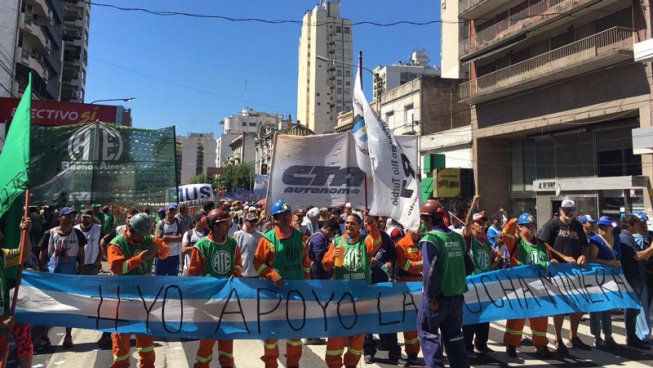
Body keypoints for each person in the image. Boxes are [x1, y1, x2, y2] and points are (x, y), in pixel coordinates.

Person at [253, 200, 311, 368]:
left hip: (296, 293)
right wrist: (271, 274)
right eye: (282, 215)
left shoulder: (300, 236)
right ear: (275, 219)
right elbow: (258, 263)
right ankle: (271, 364)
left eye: (288, 214)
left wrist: (307, 285)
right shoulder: (267, 239)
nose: (287, 218)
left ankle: (293, 363)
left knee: (294, 331)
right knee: (272, 333)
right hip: (274, 293)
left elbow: (306, 262)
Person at [107, 212, 169, 368]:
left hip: (144, 298)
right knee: (121, 339)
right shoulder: (117, 244)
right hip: (123, 299)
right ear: (130, 229)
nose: (143, 238)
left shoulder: (148, 239)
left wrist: (159, 250)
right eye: (140, 235)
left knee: (146, 339)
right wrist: (140, 258)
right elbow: (118, 268)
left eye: (145, 234)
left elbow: (165, 252)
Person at [322, 213, 381, 368]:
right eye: (347, 223)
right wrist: (330, 258)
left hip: (361, 300)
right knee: (336, 338)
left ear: (359, 225)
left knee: (357, 340)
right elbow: (325, 265)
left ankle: (351, 365)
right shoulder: (336, 242)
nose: (348, 226)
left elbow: (377, 241)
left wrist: (372, 224)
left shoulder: (365, 242)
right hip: (341, 300)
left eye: (352, 223)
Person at [418, 200, 472, 368]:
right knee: (455, 338)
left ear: (428, 218)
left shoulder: (431, 240)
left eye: (422, 218)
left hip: (437, 300)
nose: (421, 222)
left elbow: (429, 273)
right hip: (456, 299)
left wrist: (431, 298)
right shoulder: (457, 237)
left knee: (429, 336)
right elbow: (469, 267)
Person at [188, 208, 242, 368]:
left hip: (228, 300)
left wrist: (235, 272)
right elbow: (193, 276)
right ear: (214, 226)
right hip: (208, 303)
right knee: (207, 340)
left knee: (227, 339)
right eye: (224, 224)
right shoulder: (201, 246)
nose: (228, 227)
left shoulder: (232, 243)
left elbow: (238, 262)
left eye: (228, 223)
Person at [538, 199, 590, 352]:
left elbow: (584, 245)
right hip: (558, 270)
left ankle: (573, 337)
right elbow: (543, 243)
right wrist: (561, 257)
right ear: (560, 210)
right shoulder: (552, 224)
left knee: (578, 304)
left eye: (571, 210)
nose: (569, 212)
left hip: (575, 271)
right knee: (560, 305)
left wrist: (583, 256)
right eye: (566, 210)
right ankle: (558, 338)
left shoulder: (577, 225)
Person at [500, 213, 552, 358]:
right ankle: (511, 344)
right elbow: (505, 234)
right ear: (520, 228)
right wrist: (512, 223)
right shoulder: (516, 243)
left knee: (540, 318)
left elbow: (549, 259)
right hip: (520, 289)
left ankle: (541, 344)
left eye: (532, 226)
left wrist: (552, 263)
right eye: (527, 226)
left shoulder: (541, 244)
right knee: (516, 319)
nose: (531, 229)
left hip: (539, 289)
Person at [36, 207, 86, 350]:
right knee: (49, 308)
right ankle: (44, 337)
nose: (70, 218)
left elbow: (81, 257)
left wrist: (80, 275)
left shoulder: (78, 235)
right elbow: (42, 255)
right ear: (60, 217)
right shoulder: (49, 234)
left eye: (72, 216)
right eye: (67, 216)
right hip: (52, 278)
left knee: (70, 308)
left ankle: (68, 336)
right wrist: (42, 275)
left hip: (70, 278)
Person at [461, 196, 499, 356]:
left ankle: (481, 343)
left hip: (485, 285)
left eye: (484, 223)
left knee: (485, 316)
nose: (482, 226)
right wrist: (473, 206)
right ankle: (467, 346)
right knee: (470, 316)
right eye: (479, 223)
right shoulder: (469, 240)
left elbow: (491, 265)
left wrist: (496, 258)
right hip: (471, 284)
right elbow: (467, 225)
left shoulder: (486, 243)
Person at [363, 215, 401, 364]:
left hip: (383, 284)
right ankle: (368, 350)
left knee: (386, 316)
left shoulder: (386, 238)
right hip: (367, 285)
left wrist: (390, 263)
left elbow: (393, 257)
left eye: (372, 222)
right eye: (367, 223)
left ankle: (393, 350)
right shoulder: (362, 239)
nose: (370, 225)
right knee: (368, 318)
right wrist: (367, 261)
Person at [0, 217, 33, 368]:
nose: (2, 236)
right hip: (3, 320)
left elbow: (23, 255)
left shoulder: (2, 255)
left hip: (9, 311)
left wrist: (24, 233)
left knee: (21, 344)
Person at [619, 214, 653, 349]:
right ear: (630, 225)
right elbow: (638, 256)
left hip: (639, 277)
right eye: (638, 223)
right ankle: (633, 337)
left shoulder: (630, 237)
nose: (640, 226)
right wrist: (651, 248)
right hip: (632, 277)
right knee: (633, 308)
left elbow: (644, 257)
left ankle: (634, 336)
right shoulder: (625, 238)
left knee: (636, 309)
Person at [587, 216, 621, 350]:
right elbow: (592, 259)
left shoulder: (617, 239)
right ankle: (597, 337)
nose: (602, 228)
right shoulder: (595, 240)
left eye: (605, 226)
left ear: (611, 227)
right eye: (600, 226)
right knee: (596, 307)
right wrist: (610, 263)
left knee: (608, 306)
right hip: (596, 278)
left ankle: (608, 335)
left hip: (612, 277)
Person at [394, 228, 423, 366]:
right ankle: (412, 352)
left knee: (426, 321)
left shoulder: (424, 242)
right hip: (408, 286)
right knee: (410, 322)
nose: (418, 229)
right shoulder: (401, 244)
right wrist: (424, 264)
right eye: (415, 227)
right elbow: (405, 265)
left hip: (423, 284)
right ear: (407, 228)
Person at [154, 204, 182, 275]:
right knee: (160, 279)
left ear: (176, 211)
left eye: (173, 210)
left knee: (172, 279)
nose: (171, 212)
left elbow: (181, 238)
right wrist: (175, 238)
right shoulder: (160, 223)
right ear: (166, 211)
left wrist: (167, 238)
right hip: (161, 256)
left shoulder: (179, 222)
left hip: (174, 256)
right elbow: (157, 239)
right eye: (170, 210)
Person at [233, 211, 263, 278]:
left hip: (256, 274)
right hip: (241, 274)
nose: (253, 223)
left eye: (255, 221)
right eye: (250, 221)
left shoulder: (261, 236)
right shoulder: (237, 234)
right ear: (245, 221)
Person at [75, 209, 104, 276]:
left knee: (90, 285)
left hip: (92, 265)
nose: (85, 219)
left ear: (92, 218)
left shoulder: (99, 228)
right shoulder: (75, 229)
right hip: (77, 264)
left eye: (87, 217)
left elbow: (101, 247)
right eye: (83, 217)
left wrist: (98, 262)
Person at [181, 211, 208, 276]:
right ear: (196, 221)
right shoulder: (189, 234)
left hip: (204, 270)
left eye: (206, 220)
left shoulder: (209, 234)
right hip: (189, 269)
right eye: (203, 220)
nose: (205, 222)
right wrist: (200, 247)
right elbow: (184, 250)